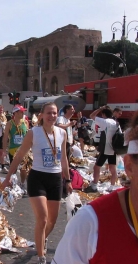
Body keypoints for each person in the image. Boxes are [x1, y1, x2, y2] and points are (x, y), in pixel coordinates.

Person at [51, 111, 138, 263]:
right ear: (129, 167)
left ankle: (99, 183)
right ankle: (98, 183)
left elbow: (92, 118)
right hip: (106, 151)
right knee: (101, 168)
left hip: (107, 150)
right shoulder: (91, 223)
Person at [1, 102, 72, 264]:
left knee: (52, 221)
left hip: (55, 179)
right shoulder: (34, 133)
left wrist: (67, 180)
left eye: (54, 113)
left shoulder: (62, 133)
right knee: (43, 219)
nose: (52, 116)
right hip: (37, 178)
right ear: (41, 115)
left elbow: (64, 159)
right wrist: (7, 178)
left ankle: (42, 239)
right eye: (48, 113)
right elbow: (19, 156)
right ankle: (41, 257)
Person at [85, 106, 119, 192]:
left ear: (103, 114)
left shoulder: (105, 121)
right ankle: (112, 187)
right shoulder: (116, 123)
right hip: (114, 149)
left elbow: (92, 115)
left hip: (106, 148)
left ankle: (94, 186)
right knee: (113, 168)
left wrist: (100, 109)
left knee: (97, 167)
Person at [3, 105, 29, 183]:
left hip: (24, 150)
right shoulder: (9, 124)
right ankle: (13, 185)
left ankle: (22, 184)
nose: (23, 113)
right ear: (16, 113)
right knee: (13, 169)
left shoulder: (25, 122)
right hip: (13, 150)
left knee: (23, 169)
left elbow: (28, 136)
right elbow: (5, 138)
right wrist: (4, 151)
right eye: (21, 112)